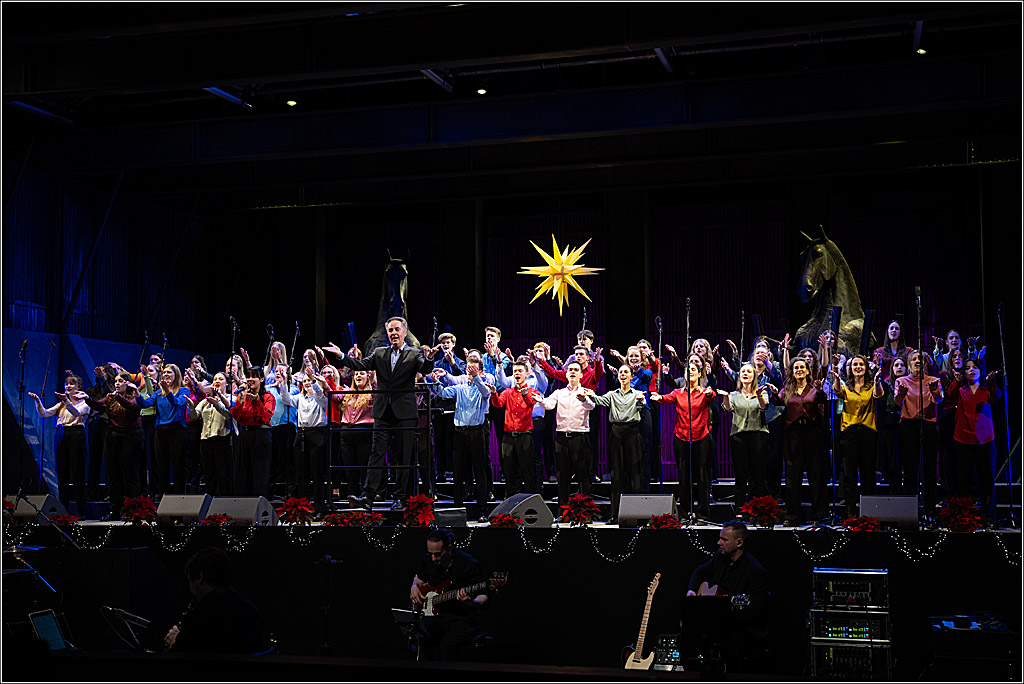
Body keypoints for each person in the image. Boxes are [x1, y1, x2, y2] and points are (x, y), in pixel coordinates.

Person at [337, 316, 438, 511]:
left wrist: (430, 358)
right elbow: (360, 366)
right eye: (390, 330)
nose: (393, 333)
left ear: (404, 332)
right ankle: (367, 498)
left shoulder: (414, 353)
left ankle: (401, 498)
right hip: (382, 412)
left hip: (405, 413)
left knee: (402, 457)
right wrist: (342, 356)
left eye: (396, 330)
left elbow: (425, 368)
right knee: (376, 454)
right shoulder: (379, 352)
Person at [683, 521, 769, 672]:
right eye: (719, 538)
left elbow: (754, 611)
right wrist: (691, 590)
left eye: (724, 539)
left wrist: (725, 611)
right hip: (716, 624)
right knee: (683, 637)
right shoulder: (720, 558)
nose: (718, 543)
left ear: (739, 542)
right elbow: (699, 572)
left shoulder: (755, 571)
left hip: (740, 628)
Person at [651, 354, 716, 521]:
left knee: (702, 475)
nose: (690, 372)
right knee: (683, 476)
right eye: (688, 370)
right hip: (681, 437)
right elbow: (666, 398)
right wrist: (658, 397)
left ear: (700, 374)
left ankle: (703, 514)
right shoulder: (678, 393)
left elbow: (712, 397)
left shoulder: (704, 392)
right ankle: (685, 513)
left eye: (694, 370)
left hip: (701, 436)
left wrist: (709, 393)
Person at [163, 547, 264, 654]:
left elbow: (184, 661)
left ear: (200, 577)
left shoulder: (200, 617)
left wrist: (174, 643)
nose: (190, 589)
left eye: (190, 580)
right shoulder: (249, 609)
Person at [409, 529, 489, 662]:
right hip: (436, 616)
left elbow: (485, 595)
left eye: (438, 554)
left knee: (447, 646)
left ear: (449, 548)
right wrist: (413, 587)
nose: (433, 558)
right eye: (431, 554)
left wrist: (472, 602)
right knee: (422, 638)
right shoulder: (429, 560)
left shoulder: (469, 564)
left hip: (461, 617)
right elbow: (419, 578)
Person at [429, 360, 491, 521]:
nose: (470, 372)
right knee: (458, 471)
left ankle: (482, 509)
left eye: (474, 369)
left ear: (480, 372)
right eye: (469, 369)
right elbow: (442, 393)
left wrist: (477, 377)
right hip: (459, 433)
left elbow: (485, 392)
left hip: (476, 433)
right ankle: (457, 508)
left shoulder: (484, 387)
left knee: (479, 470)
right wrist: (435, 382)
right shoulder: (460, 388)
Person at [77, 372, 144, 520]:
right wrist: (87, 398)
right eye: (116, 381)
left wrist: (118, 397)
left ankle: (132, 512)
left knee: (131, 475)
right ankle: (115, 511)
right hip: (113, 436)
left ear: (128, 383)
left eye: (121, 381)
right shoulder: (110, 397)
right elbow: (98, 405)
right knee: (113, 475)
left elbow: (132, 408)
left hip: (131, 436)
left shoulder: (134, 396)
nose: (117, 383)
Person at [770, 358, 828, 525]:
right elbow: (777, 401)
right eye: (796, 367)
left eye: (802, 367)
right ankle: (793, 515)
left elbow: (822, 399)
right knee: (792, 476)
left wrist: (818, 391)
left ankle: (819, 515)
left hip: (813, 433)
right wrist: (774, 393)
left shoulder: (813, 388)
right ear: (792, 371)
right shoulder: (787, 389)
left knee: (816, 474)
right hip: (793, 434)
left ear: (808, 371)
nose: (799, 370)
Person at [585, 364, 646, 523]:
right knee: (616, 474)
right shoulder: (612, 394)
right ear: (618, 376)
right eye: (621, 372)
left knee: (634, 474)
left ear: (632, 376)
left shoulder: (637, 394)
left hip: (633, 432)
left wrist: (641, 401)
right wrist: (589, 395)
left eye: (626, 372)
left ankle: (636, 515)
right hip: (617, 433)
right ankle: (615, 514)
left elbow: (641, 405)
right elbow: (598, 400)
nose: (623, 374)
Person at [946, 359, 1001, 525]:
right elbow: (951, 395)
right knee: (964, 480)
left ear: (980, 371)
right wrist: (955, 380)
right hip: (963, 439)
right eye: (968, 368)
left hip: (984, 439)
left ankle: (989, 516)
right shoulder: (961, 390)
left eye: (975, 367)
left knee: (987, 479)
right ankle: (965, 516)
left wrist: (991, 381)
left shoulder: (986, 390)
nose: (971, 370)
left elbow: (995, 396)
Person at [29, 375, 90, 517]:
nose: (68, 386)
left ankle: (81, 511)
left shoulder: (84, 403)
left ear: (78, 387)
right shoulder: (61, 404)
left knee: (77, 474)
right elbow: (45, 413)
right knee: (62, 474)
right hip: (61, 434)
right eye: (67, 384)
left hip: (76, 434)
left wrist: (66, 401)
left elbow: (76, 413)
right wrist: (38, 402)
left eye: (72, 384)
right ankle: (64, 511)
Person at [831, 355, 884, 518]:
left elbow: (878, 394)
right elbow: (837, 391)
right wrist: (836, 377)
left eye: (861, 364)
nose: (858, 367)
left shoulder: (870, 386)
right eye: (855, 364)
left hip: (867, 433)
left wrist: (876, 381)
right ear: (850, 368)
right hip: (849, 434)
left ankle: (869, 513)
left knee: (868, 473)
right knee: (850, 475)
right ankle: (851, 512)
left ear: (866, 367)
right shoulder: (846, 386)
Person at [539, 360, 597, 509]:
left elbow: (591, 405)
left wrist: (584, 400)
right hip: (561, 438)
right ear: (566, 373)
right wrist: (540, 401)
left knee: (582, 476)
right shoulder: (559, 393)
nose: (572, 372)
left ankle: (585, 511)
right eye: (570, 369)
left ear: (581, 374)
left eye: (575, 370)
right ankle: (563, 511)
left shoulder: (585, 391)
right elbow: (549, 404)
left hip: (579, 437)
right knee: (562, 476)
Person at [894, 350, 943, 524]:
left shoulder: (933, 380)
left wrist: (935, 391)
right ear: (908, 364)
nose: (917, 361)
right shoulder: (901, 381)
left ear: (925, 363)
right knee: (910, 471)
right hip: (909, 426)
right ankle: (910, 512)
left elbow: (939, 399)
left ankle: (930, 510)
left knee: (929, 470)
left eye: (920, 359)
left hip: (928, 425)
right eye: (914, 359)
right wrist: (901, 393)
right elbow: (897, 402)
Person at [279, 360, 330, 514]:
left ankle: (319, 507)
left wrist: (314, 382)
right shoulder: (299, 398)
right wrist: (282, 383)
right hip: (301, 435)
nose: (307, 383)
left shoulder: (320, 397)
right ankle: (303, 507)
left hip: (317, 435)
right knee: (302, 473)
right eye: (305, 381)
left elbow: (322, 400)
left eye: (310, 380)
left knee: (317, 472)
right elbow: (286, 399)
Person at [718, 363, 770, 512]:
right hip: (738, 437)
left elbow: (763, 407)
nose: (745, 373)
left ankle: (761, 510)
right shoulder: (734, 394)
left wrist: (759, 395)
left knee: (759, 475)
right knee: (741, 476)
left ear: (754, 376)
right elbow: (728, 408)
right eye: (743, 372)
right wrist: (726, 397)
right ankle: (740, 510)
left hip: (758, 435)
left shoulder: (761, 392)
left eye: (749, 371)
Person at [487, 361, 542, 498]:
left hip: (525, 436)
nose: (517, 373)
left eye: (519, 371)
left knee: (527, 471)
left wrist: (524, 394)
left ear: (526, 374)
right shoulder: (508, 391)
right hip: (508, 437)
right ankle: (510, 502)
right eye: (515, 371)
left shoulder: (532, 391)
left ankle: (529, 500)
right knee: (510, 472)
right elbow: (498, 404)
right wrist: (494, 393)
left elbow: (531, 402)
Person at [136, 363, 192, 497]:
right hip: (160, 431)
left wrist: (167, 391)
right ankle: (163, 499)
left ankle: (179, 500)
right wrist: (137, 393)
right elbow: (145, 404)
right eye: (164, 372)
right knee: (162, 468)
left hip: (177, 431)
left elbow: (177, 403)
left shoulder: (184, 391)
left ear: (176, 375)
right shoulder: (158, 392)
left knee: (178, 467)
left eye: (169, 372)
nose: (166, 374)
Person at [229, 366, 276, 498]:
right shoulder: (244, 397)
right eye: (248, 377)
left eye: (253, 376)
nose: (250, 379)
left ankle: (259, 507)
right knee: (242, 473)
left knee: (260, 473)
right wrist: (239, 400)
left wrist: (256, 401)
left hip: (261, 436)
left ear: (261, 379)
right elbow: (237, 416)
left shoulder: (268, 397)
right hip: (245, 436)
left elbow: (264, 417)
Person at [191, 372, 234, 496]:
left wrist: (217, 403)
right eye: (215, 379)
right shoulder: (206, 401)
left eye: (220, 379)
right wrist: (190, 407)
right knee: (209, 473)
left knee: (222, 474)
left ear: (226, 383)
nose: (217, 381)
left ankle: (223, 502)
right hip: (205, 440)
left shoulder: (230, 398)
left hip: (222, 440)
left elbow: (230, 415)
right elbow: (195, 415)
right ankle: (210, 502)